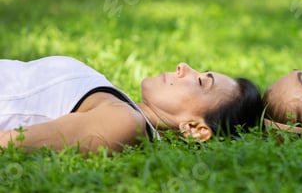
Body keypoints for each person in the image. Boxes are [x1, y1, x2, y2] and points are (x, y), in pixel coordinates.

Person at [0, 56, 263, 153]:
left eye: (202, 82)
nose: (184, 66)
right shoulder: (118, 104)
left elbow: (9, 143)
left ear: (195, 129)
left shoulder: (125, 122)